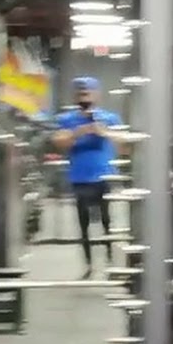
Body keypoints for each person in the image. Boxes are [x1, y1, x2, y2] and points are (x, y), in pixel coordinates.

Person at [53, 76, 122, 278]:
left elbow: (124, 144)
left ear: (97, 95)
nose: (85, 98)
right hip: (80, 178)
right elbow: (58, 143)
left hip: (105, 176)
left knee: (107, 222)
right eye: (81, 94)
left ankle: (111, 263)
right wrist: (79, 132)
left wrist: (104, 132)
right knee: (84, 225)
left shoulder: (109, 118)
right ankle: (89, 265)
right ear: (75, 97)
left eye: (88, 93)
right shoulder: (67, 120)